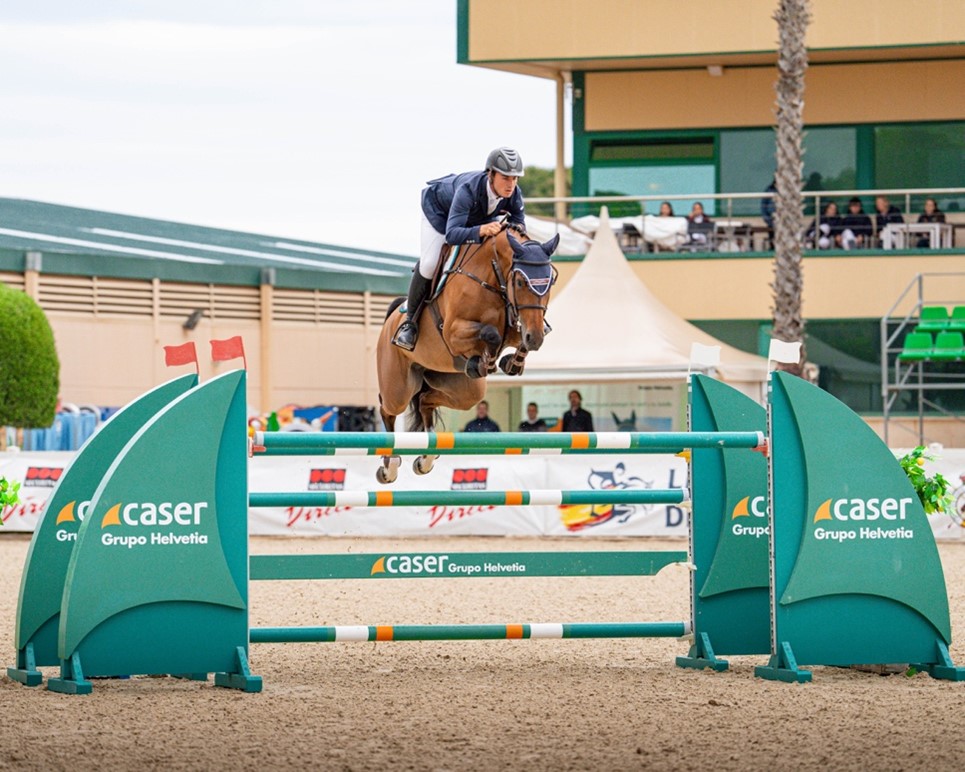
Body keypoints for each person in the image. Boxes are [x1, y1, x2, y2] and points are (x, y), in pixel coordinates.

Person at [392, 147, 526, 351]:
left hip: (475, 216)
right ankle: (410, 323)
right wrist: (481, 229)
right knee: (429, 264)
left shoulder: (514, 194)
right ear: (490, 174)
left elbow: (519, 229)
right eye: (505, 177)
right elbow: (453, 234)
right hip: (440, 214)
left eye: (515, 178)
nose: (511, 184)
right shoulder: (468, 190)